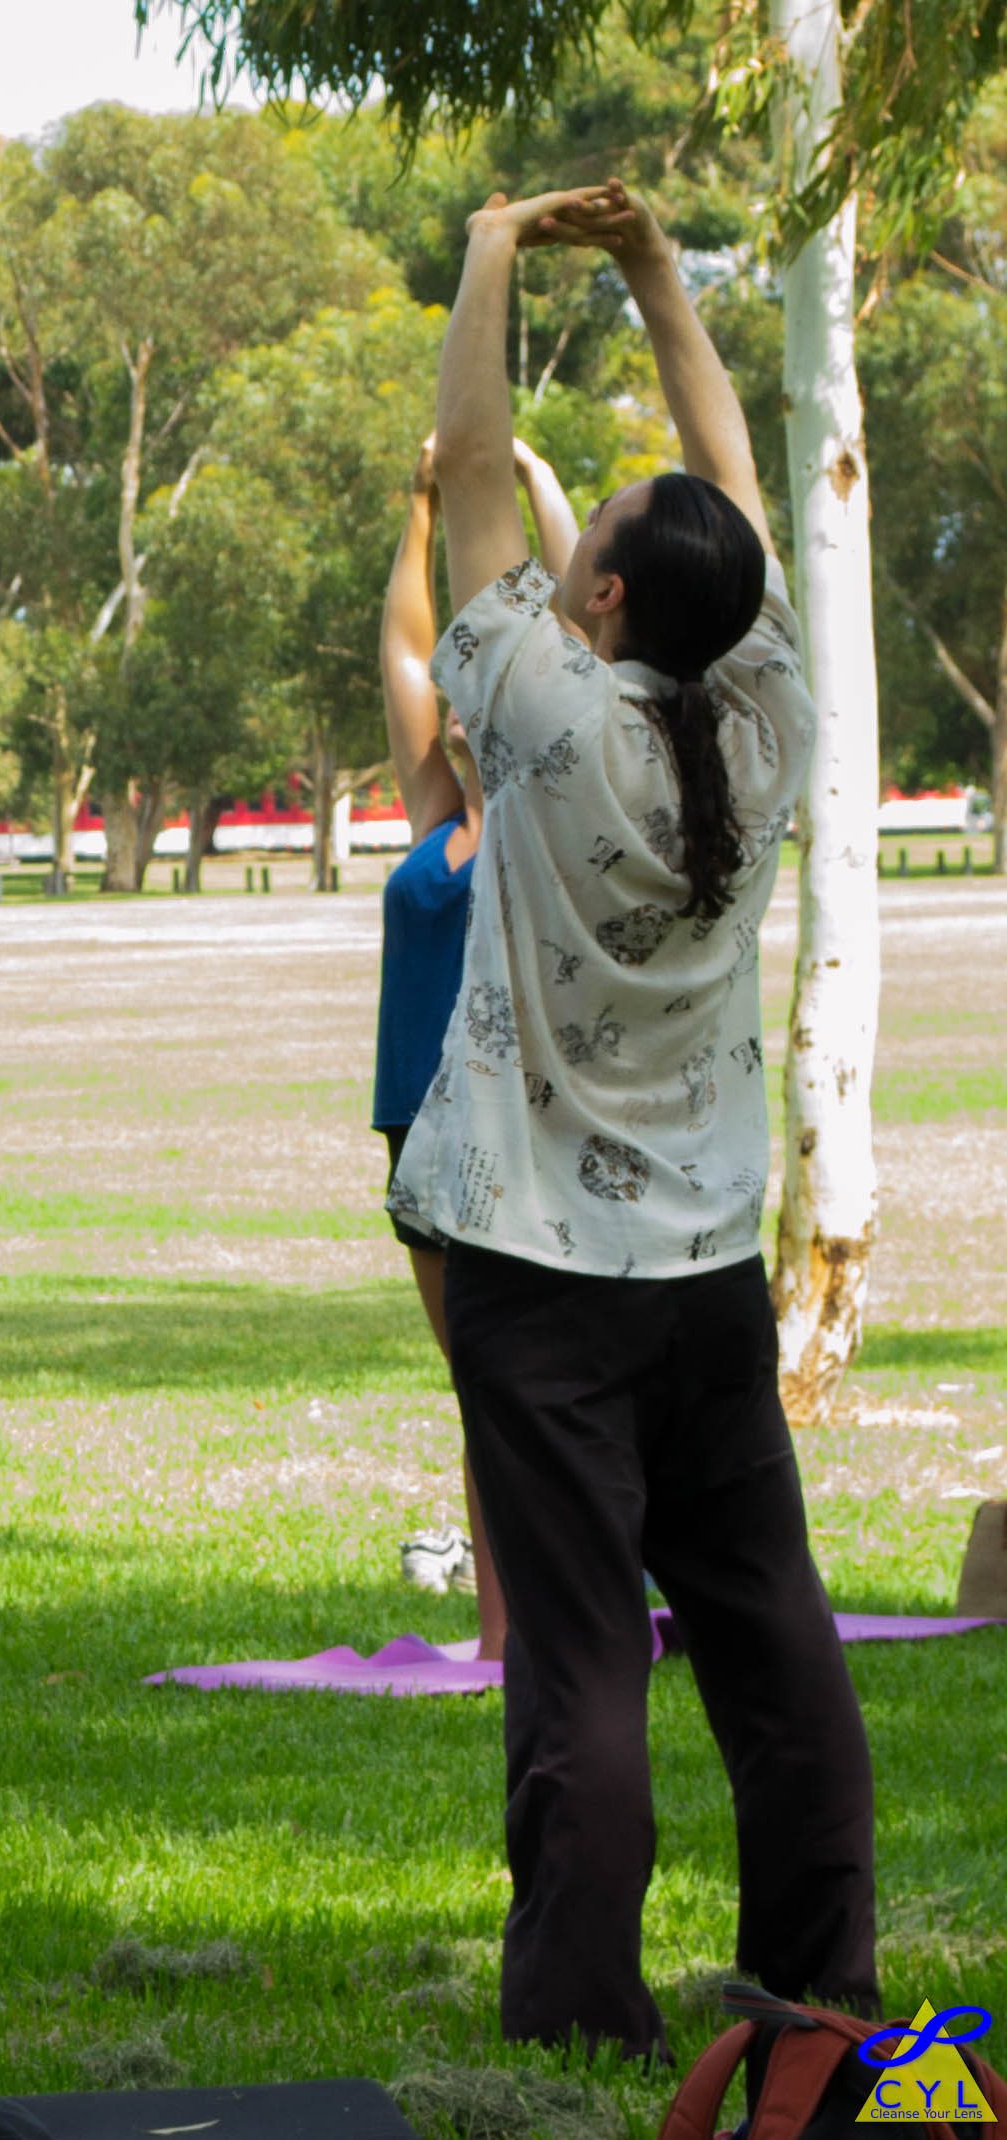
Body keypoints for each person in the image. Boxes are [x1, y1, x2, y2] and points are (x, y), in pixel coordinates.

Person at [398, 180, 875, 2055]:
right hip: (699, 1275)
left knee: (587, 1656)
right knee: (769, 1629)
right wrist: (670, 273)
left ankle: (584, 2021)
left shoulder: (537, 705)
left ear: (598, 599)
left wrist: (496, 249)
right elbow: (735, 486)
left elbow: (462, 465)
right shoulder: (762, 718)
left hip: (538, 1270)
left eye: (588, 537)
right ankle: (821, 1985)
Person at [377, 432, 577, 1660]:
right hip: (418, 1133)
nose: (447, 695)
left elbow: (604, 634)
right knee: (485, 1390)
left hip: (519, 1123)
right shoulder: (439, 814)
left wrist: (533, 478)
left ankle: (535, 1633)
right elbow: (403, 648)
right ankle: (510, 1640)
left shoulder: (554, 815)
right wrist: (420, 503)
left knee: (526, 1389)